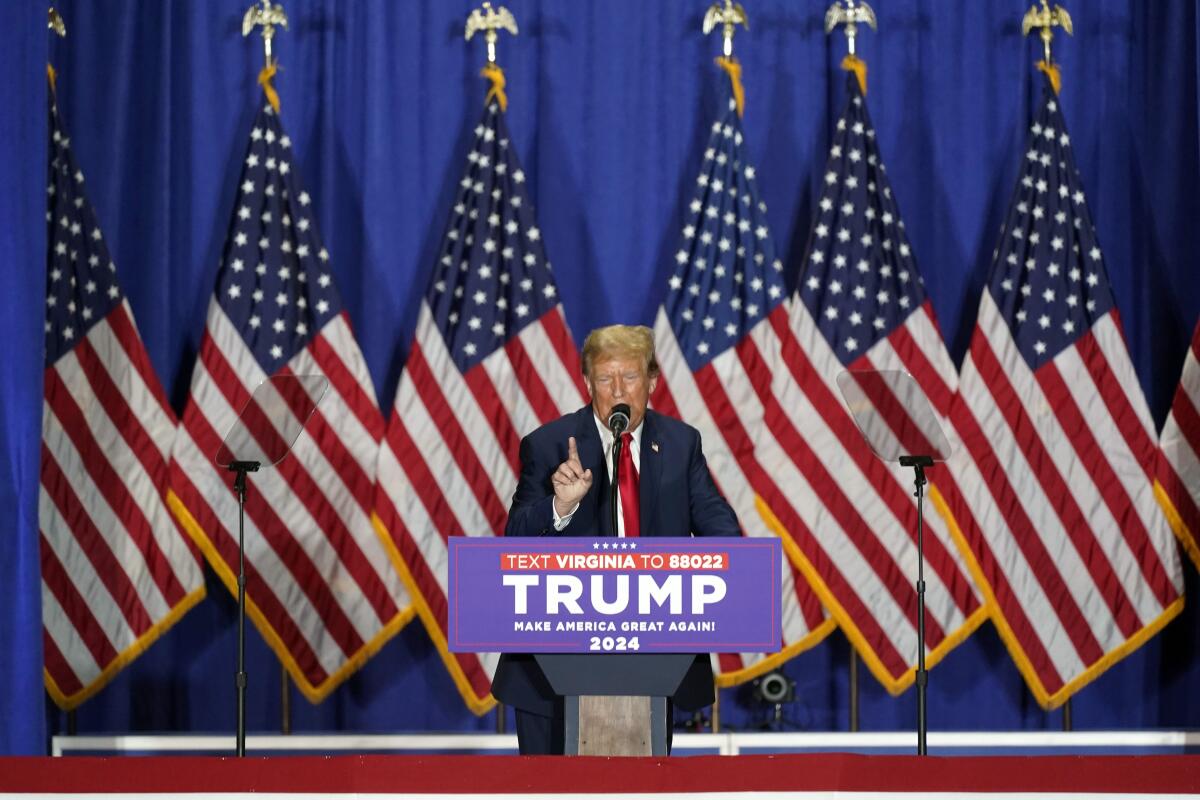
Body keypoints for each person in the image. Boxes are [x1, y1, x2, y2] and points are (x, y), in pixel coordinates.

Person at [493, 323, 739, 754]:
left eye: (629, 377)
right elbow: (515, 536)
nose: (618, 390)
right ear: (588, 383)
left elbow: (722, 530)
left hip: (653, 663)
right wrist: (560, 506)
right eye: (605, 379)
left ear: (652, 381)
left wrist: (715, 567)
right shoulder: (550, 444)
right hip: (552, 671)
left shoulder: (681, 444)